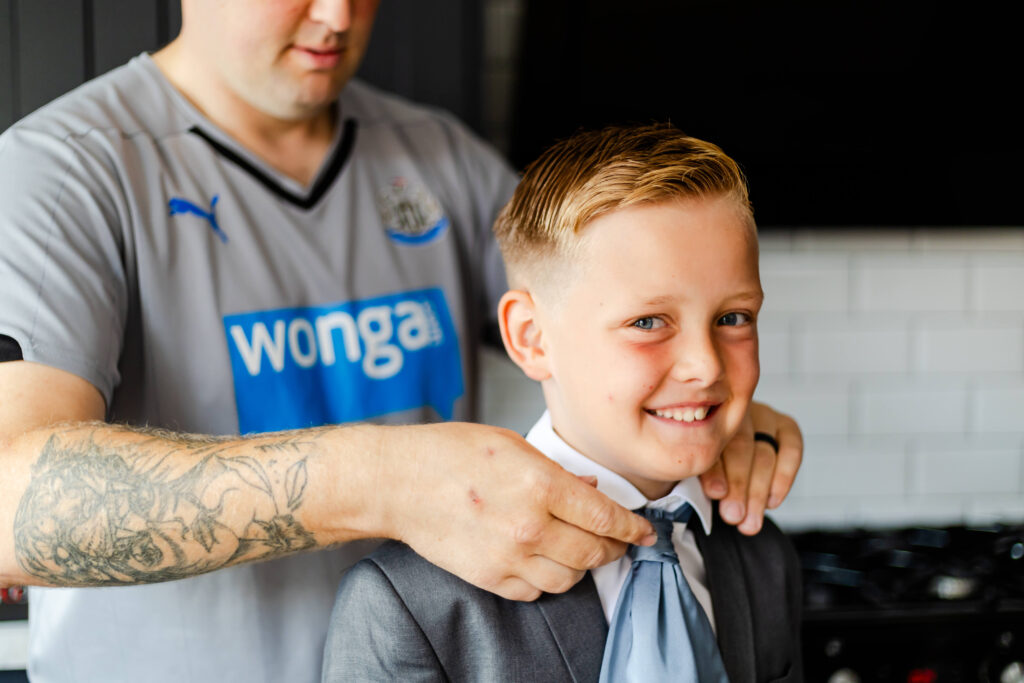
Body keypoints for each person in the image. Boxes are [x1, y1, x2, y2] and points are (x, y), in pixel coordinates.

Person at [0, 1, 802, 681]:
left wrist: (709, 412)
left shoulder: (436, 158)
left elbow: (601, 313)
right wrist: (382, 477)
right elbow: (8, 505)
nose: (337, 15)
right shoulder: (62, 173)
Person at [322, 124, 802, 682]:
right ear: (531, 337)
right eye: (647, 322)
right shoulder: (410, 604)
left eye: (733, 318)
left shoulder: (763, 558)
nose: (707, 365)